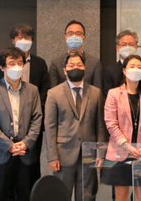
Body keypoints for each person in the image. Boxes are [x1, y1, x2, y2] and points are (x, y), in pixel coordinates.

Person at [45, 50, 107, 201]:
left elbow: (100, 125)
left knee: (87, 196)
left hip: (89, 153)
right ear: (64, 70)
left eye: (79, 65)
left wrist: (101, 152)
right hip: (63, 154)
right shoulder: (54, 93)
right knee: (62, 195)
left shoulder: (96, 93)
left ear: (85, 68)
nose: (75, 67)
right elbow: (50, 127)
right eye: (71, 65)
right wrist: (52, 156)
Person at [0, 47, 43, 201]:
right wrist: (8, 145)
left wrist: (26, 143)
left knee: (25, 194)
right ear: (3, 68)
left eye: (19, 63)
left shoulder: (32, 90)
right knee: (1, 194)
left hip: (25, 152)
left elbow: (37, 119)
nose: (17, 66)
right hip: (2, 151)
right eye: (11, 63)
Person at [103, 55, 141, 201]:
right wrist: (126, 146)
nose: (136, 69)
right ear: (124, 71)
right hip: (120, 152)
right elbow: (111, 123)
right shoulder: (114, 94)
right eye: (132, 66)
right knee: (121, 196)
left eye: (139, 67)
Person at [49, 20, 102, 89]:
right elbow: (52, 91)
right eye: (70, 33)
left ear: (84, 38)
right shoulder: (56, 63)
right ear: (65, 38)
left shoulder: (94, 62)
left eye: (78, 33)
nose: (74, 36)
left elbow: (98, 92)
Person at [103, 30, 141, 96]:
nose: (127, 47)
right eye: (124, 45)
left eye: (131, 44)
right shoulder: (110, 71)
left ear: (136, 47)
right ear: (117, 48)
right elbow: (107, 95)